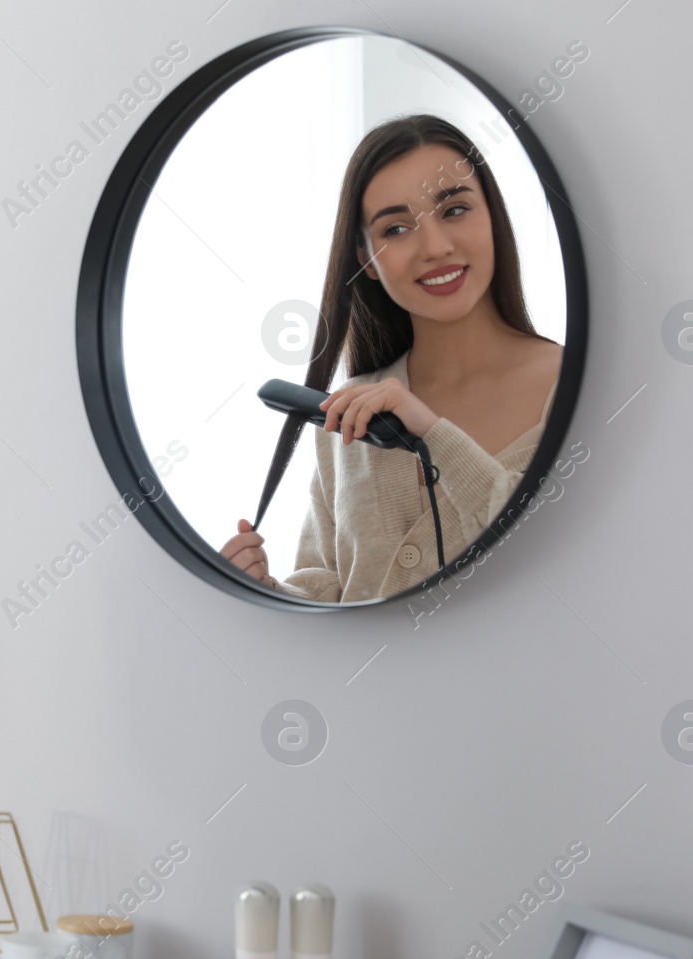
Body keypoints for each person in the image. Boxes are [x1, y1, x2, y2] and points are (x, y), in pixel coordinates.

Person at [219, 114, 562, 601]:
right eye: (397, 228)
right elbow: (332, 588)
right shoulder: (349, 410)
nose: (436, 247)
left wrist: (432, 432)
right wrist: (267, 591)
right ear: (367, 260)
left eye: (455, 210)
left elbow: (564, 560)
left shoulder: (573, 388)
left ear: (493, 217)